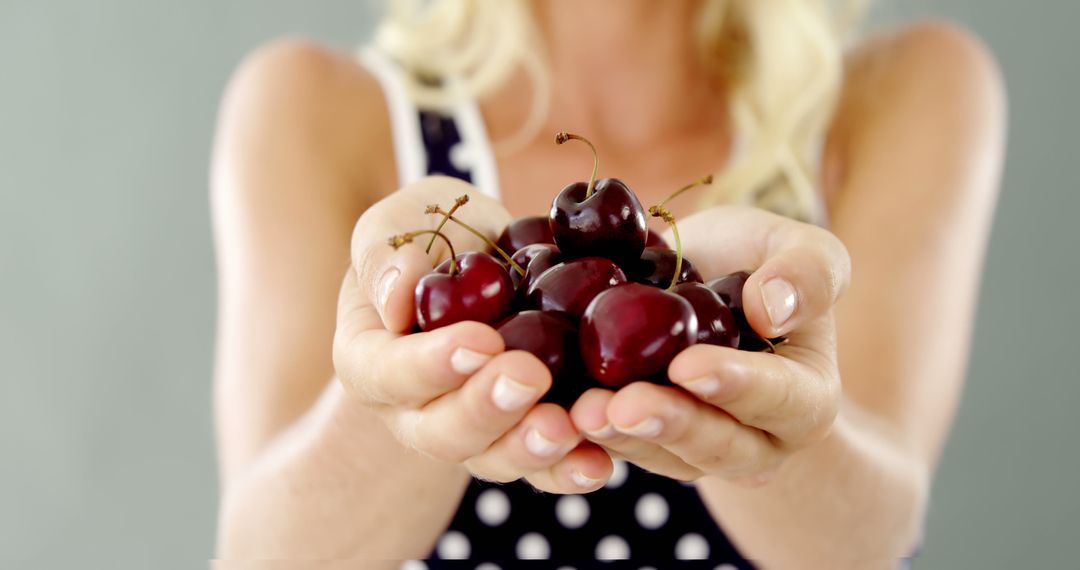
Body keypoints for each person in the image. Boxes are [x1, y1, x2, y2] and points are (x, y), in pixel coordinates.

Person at [210, 0, 1005, 567]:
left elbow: (873, 540)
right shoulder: (318, 106)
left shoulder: (902, 92)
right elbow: (261, 555)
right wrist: (404, 369)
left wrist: (756, 389)